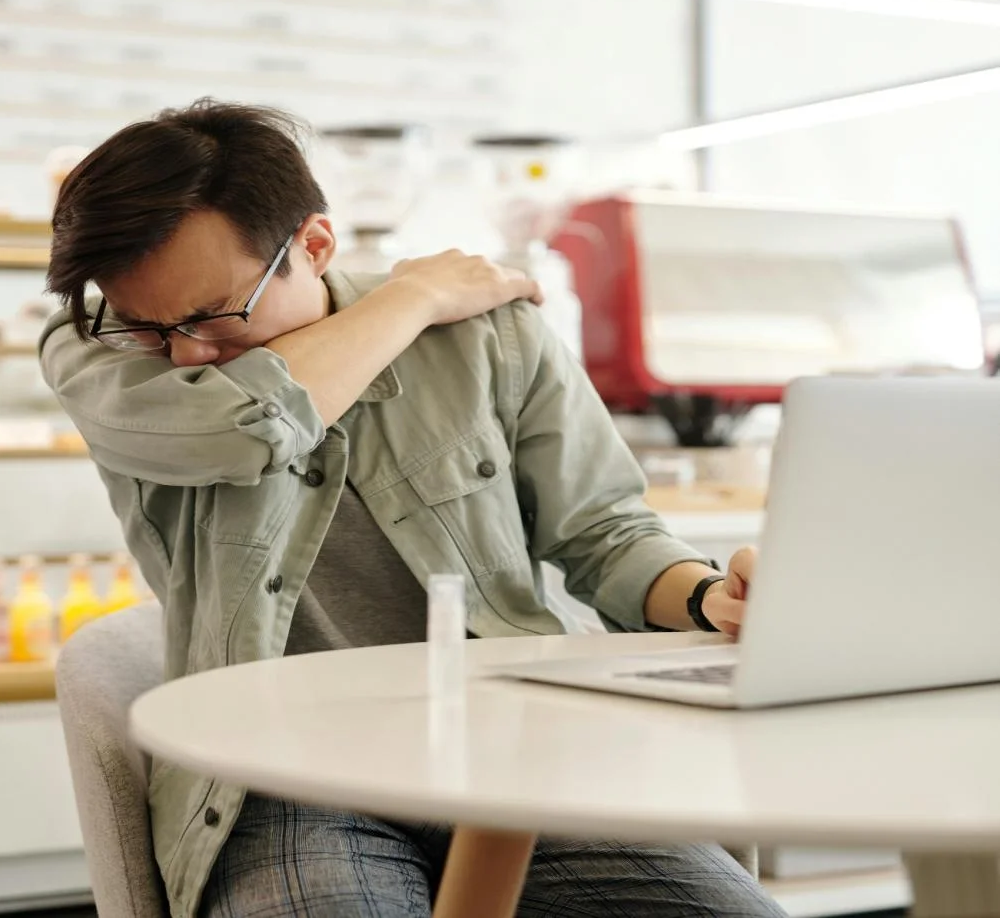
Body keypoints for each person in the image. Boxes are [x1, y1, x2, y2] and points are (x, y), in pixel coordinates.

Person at [40, 99, 778, 918]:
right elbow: (241, 426)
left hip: (513, 750)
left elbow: (604, 534)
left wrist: (711, 597)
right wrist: (409, 301)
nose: (183, 353)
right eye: (153, 327)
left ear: (313, 245)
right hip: (279, 777)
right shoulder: (93, 347)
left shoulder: (488, 337)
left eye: (214, 317)